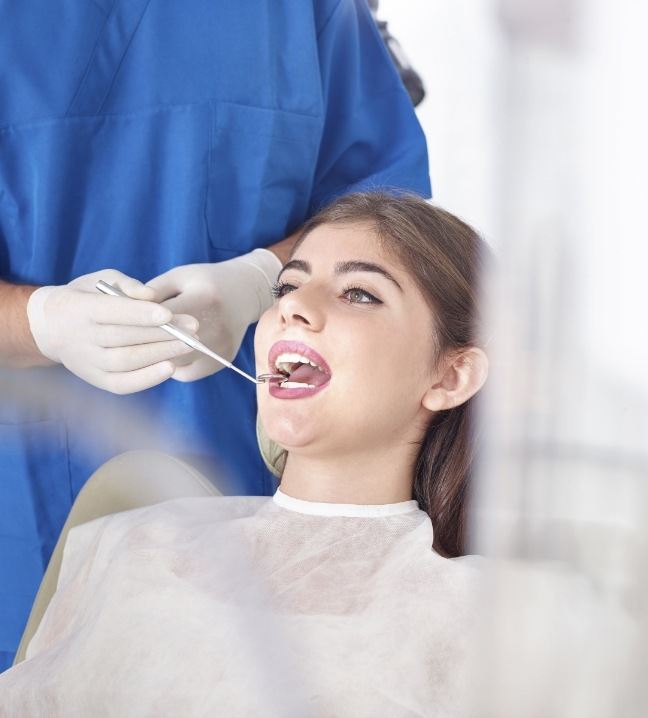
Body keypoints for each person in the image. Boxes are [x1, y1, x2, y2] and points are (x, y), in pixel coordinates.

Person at [0, 1, 430, 668]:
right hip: (18, 512)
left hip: (254, 501)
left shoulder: (301, 15)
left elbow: (391, 214)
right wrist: (36, 321)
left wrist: (265, 276)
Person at [0, 193, 490, 715]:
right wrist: (39, 319)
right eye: (286, 286)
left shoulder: (488, 614)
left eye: (359, 294)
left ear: (451, 375)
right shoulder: (128, 546)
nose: (291, 307)